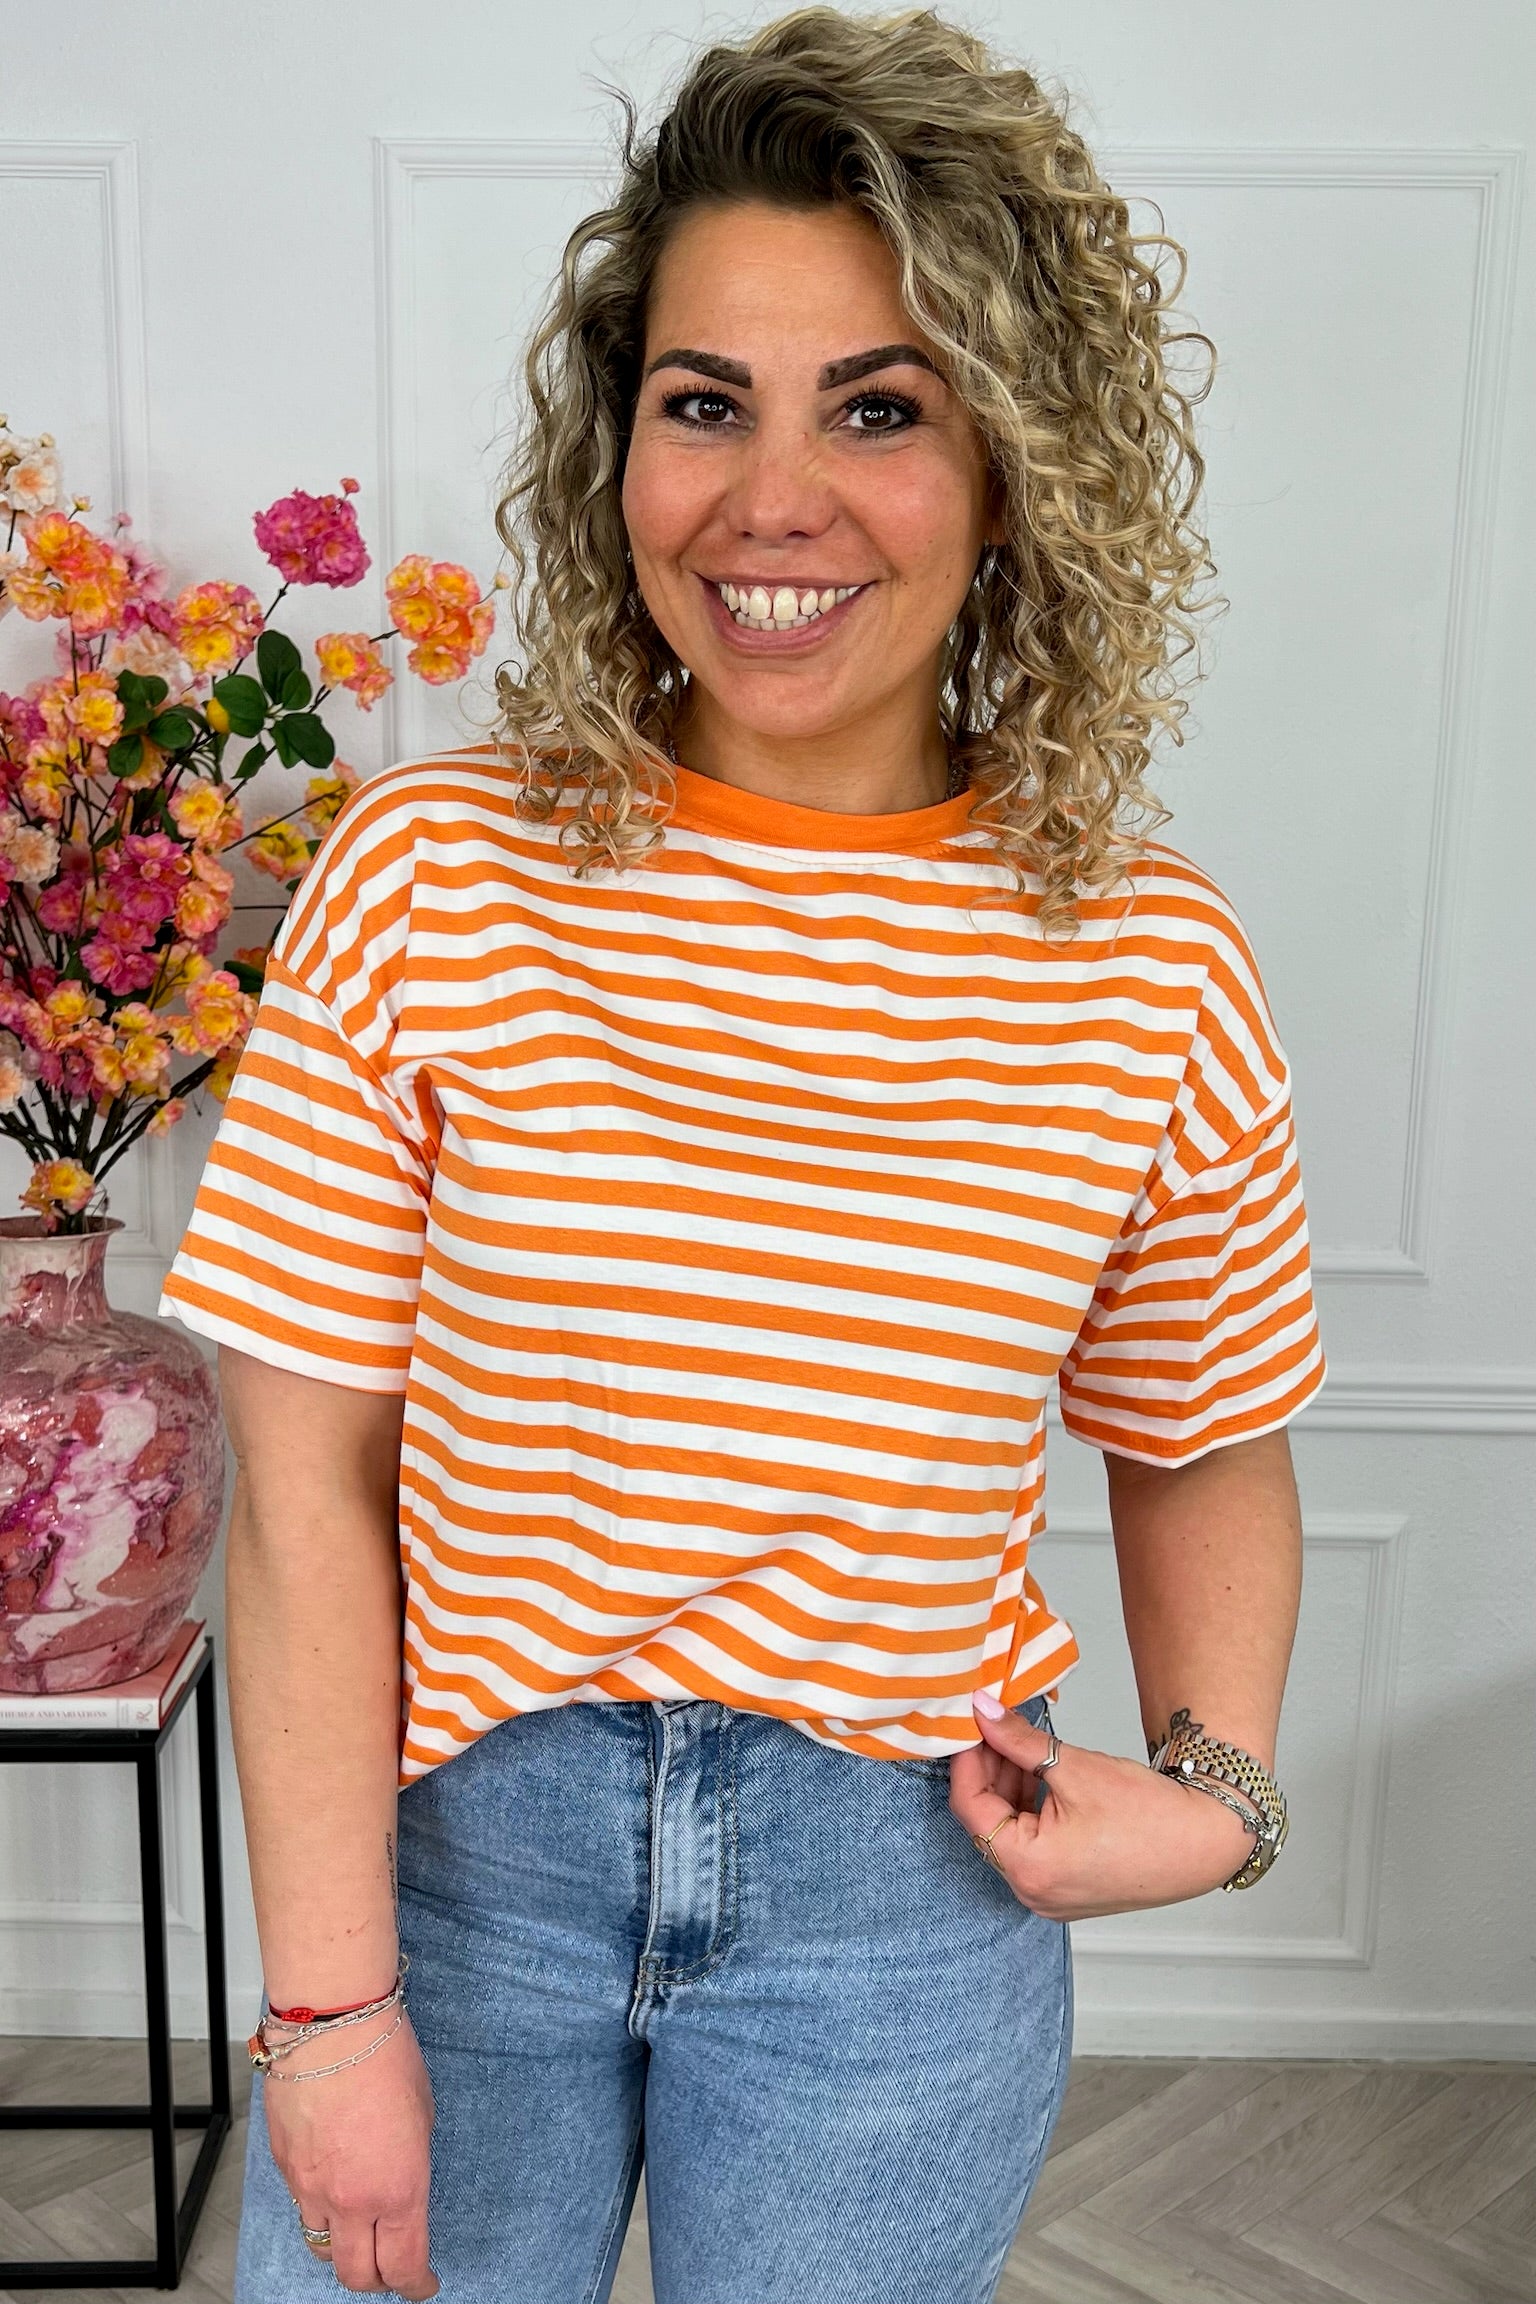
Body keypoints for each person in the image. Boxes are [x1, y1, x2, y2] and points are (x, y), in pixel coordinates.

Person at [159, 9, 1326, 2300]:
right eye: (706, 403)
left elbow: (1203, 1435)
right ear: (621, 446)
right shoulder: (434, 878)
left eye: (877, 408)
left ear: (1014, 464)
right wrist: (328, 2008)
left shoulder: (1145, 956)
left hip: (898, 1907)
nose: (770, 500)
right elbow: (300, 1489)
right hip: (452, 1878)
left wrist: (1223, 1799)